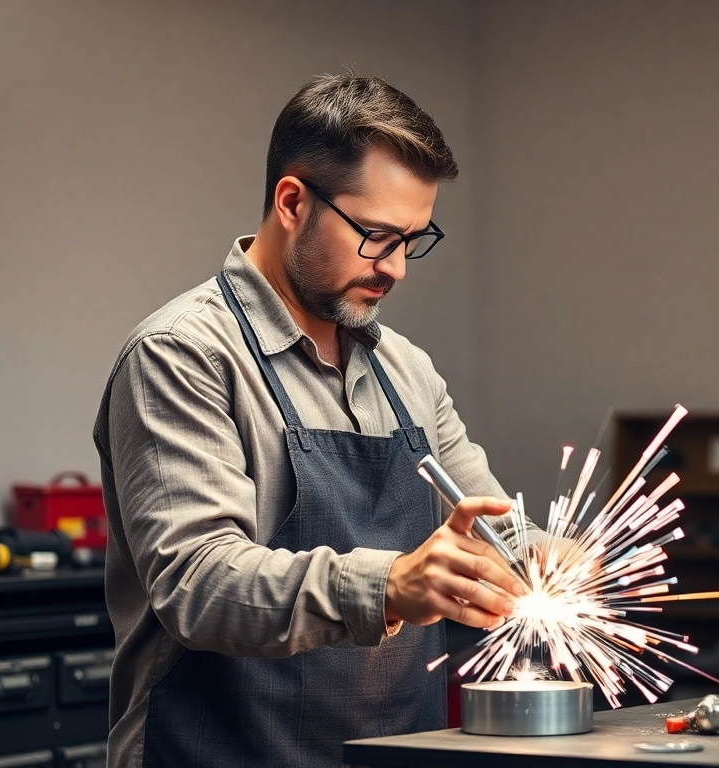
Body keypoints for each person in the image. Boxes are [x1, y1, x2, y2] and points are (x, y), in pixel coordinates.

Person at [92, 73, 540, 768]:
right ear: (294, 202)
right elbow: (199, 583)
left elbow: (493, 530)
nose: (395, 268)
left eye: (412, 241)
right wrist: (390, 585)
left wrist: (545, 559)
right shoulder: (182, 355)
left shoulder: (406, 370)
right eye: (377, 237)